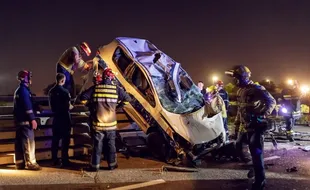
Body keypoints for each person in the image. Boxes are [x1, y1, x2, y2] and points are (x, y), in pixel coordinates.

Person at [225, 65, 276, 190]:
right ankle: (254, 166)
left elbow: (272, 101)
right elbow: (240, 110)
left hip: (256, 126)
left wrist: (263, 114)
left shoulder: (257, 88)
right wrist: (236, 128)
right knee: (238, 147)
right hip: (244, 126)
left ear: (243, 77)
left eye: (236, 77)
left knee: (256, 154)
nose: (234, 80)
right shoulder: (241, 91)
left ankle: (260, 181)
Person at [80, 67, 131, 171]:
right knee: (111, 145)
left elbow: (82, 98)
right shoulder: (116, 89)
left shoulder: (96, 88)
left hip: (98, 124)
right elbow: (128, 99)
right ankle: (112, 165)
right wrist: (117, 107)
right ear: (111, 78)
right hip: (111, 124)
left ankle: (95, 166)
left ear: (103, 77)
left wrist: (92, 106)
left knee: (97, 146)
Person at [13, 70, 41, 170]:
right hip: (26, 122)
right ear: (25, 78)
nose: (30, 78)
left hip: (19, 121)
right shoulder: (24, 91)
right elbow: (27, 106)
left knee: (19, 143)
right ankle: (31, 163)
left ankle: (19, 163)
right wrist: (32, 119)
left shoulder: (18, 90)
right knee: (29, 142)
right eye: (29, 77)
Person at [48, 73, 74, 167]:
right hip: (65, 118)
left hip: (56, 118)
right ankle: (65, 160)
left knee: (55, 140)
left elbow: (52, 106)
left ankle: (54, 159)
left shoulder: (51, 91)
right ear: (62, 80)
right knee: (65, 141)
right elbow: (68, 106)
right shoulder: (65, 92)